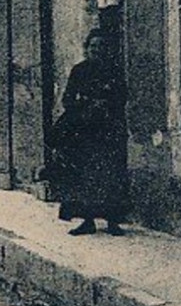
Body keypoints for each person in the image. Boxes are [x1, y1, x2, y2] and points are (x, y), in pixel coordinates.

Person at [46, 27, 129, 235]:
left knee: (111, 175)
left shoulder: (115, 70)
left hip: (109, 131)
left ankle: (113, 222)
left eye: (101, 46)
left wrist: (106, 104)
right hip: (84, 132)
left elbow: (123, 97)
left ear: (107, 49)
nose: (97, 50)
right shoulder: (79, 71)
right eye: (93, 46)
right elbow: (67, 99)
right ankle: (88, 220)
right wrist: (83, 106)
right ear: (87, 49)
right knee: (85, 177)